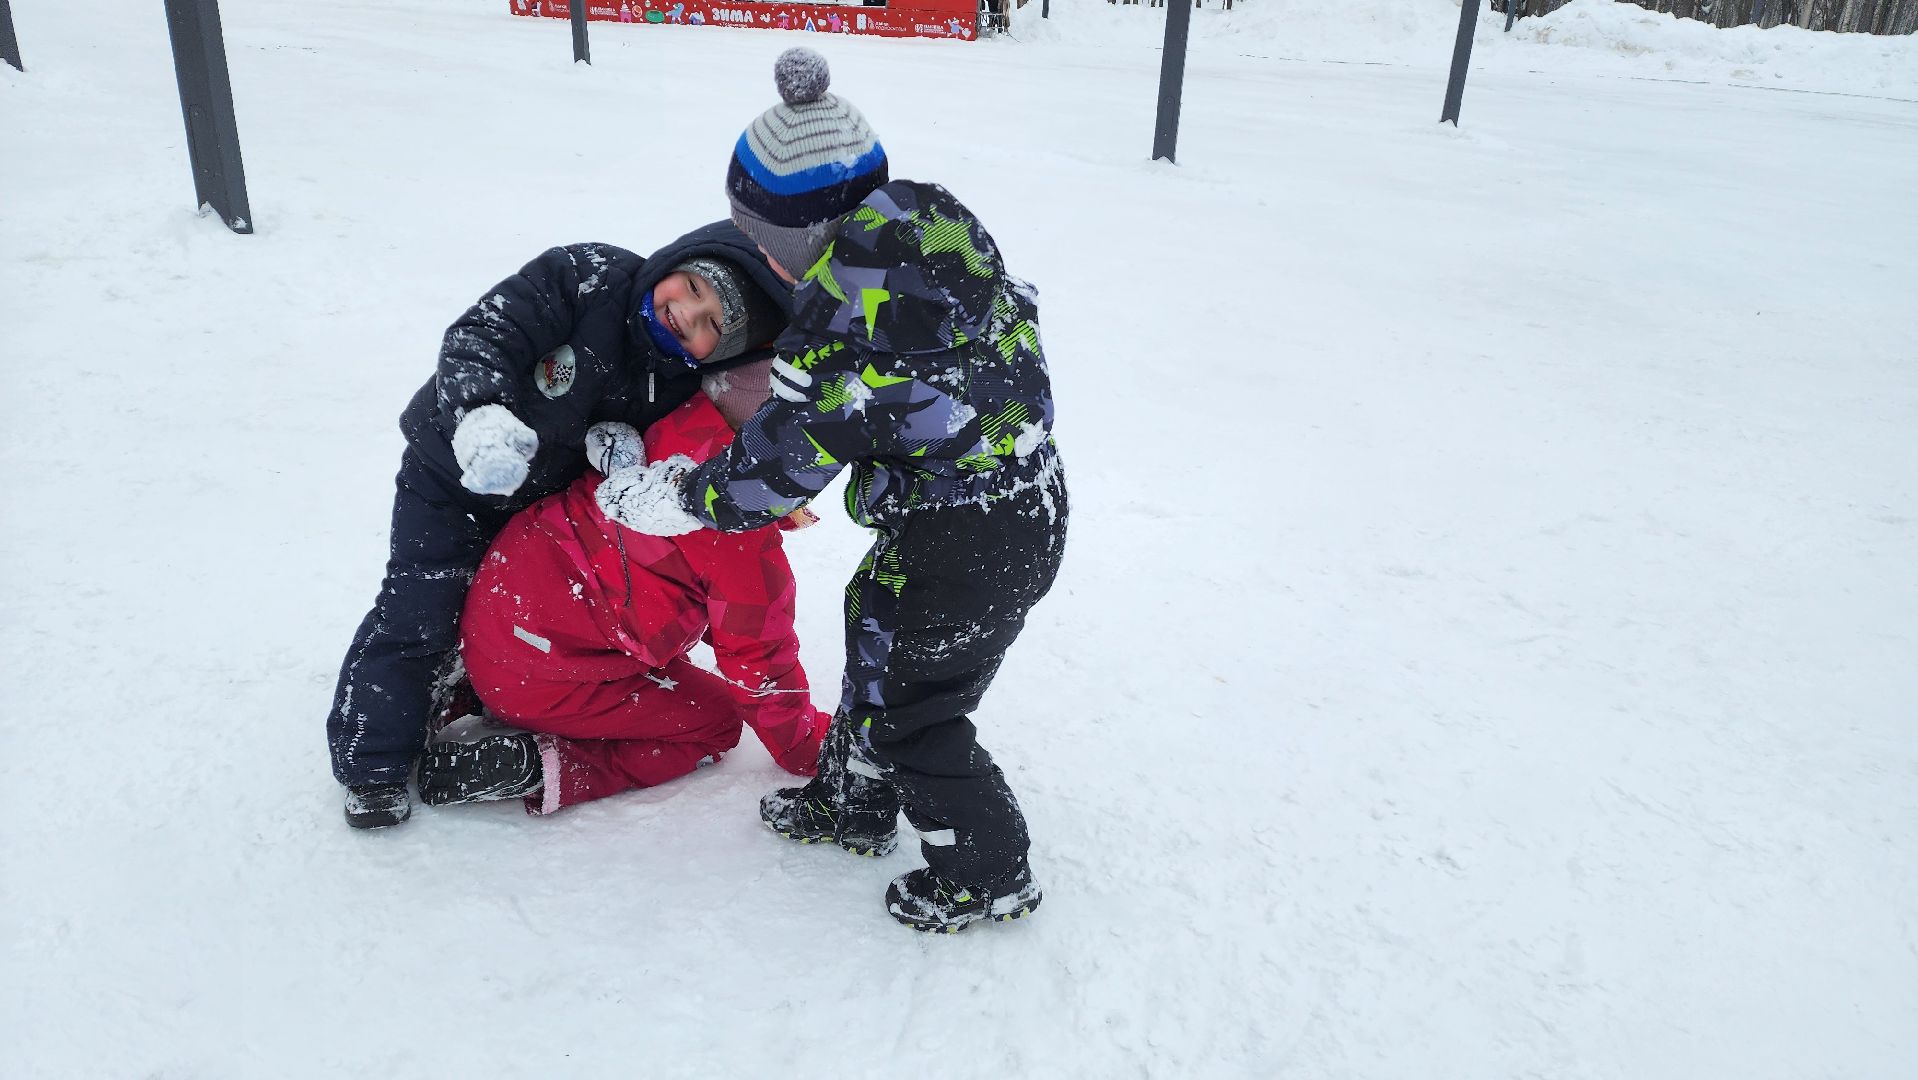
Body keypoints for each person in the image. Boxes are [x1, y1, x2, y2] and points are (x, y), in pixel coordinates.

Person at [597, 49, 1069, 933]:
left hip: (966, 543)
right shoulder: (939, 242)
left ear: (794, 240)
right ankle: (852, 805)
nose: (760, 258)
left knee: (913, 714)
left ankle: (988, 871)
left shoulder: (845, 337)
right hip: (1013, 504)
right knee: (877, 654)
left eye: (762, 240)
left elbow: (772, 474)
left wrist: (680, 498)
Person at [327, 225, 790, 830]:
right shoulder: (588, 277)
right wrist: (481, 412)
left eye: (711, 325)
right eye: (695, 289)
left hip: (536, 493)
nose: (687, 314)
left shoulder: (678, 379)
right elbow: (485, 334)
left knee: (496, 606)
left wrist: (615, 452)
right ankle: (372, 762)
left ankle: (480, 686)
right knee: (421, 607)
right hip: (452, 470)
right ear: (679, 259)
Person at [414, 364, 830, 814]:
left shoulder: (667, 427)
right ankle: (543, 766)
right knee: (716, 721)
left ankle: (481, 691)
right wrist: (807, 747)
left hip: (495, 621)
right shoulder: (734, 530)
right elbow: (759, 660)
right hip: (543, 675)